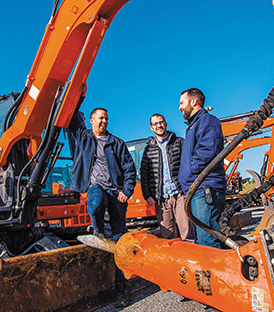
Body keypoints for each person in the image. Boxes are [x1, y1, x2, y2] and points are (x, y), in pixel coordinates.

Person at [69, 107, 136, 306]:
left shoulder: (117, 143)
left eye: (106, 118)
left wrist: (127, 190)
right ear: (91, 121)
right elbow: (72, 120)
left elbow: (129, 169)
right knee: (95, 200)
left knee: (119, 241)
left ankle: (122, 290)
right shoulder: (84, 138)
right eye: (100, 118)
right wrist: (72, 93)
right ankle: (97, 229)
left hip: (116, 193)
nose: (104, 121)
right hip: (96, 187)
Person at [178, 88, 227, 248]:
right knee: (208, 238)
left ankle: (217, 273)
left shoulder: (207, 121)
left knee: (208, 241)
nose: (179, 107)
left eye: (182, 103)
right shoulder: (193, 126)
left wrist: (192, 170)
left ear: (194, 102)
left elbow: (207, 150)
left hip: (205, 189)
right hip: (197, 189)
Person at [140, 114, 195, 242]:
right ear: (151, 128)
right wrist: (147, 194)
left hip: (180, 194)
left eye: (161, 122)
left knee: (186, 231)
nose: (159, 125)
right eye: (155, 124)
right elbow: (144, 174)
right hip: (161, 198)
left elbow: (190, 164)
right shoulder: (148, 150)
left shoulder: (179, 142)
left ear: (165, 123)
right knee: (167, 235)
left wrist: (189, 187)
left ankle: (190, 259)